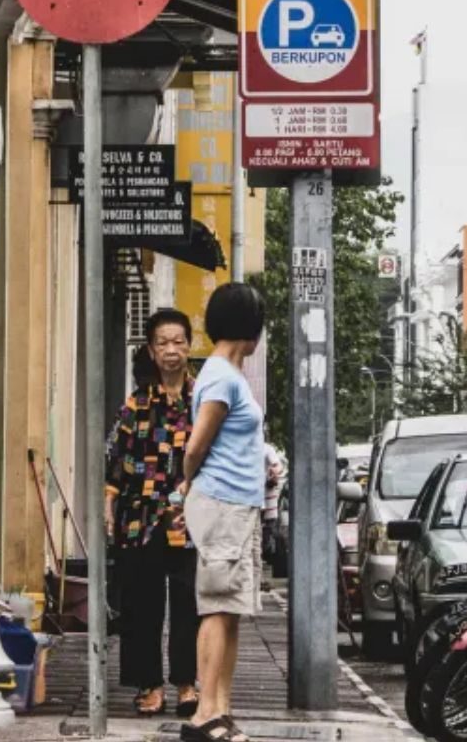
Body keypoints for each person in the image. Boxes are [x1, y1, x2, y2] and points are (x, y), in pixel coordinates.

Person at [103, 310, 201, 718]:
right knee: (141, 605)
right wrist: (109, 507)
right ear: (150, 349)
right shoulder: (136, 403)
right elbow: (116, 461)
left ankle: (187, 684)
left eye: (178, 341)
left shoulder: (203, 400)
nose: (171, 350)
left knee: (188, 603)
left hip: (189, 518)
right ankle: (150, 685)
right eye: (163, 342)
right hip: (139, 518)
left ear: (190, 345)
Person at [181, 284, 267, 742]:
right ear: (249, 328)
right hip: (223, 503)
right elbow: (195, 446)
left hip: (238, 503)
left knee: (230, 608)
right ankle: (204, 714)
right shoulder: (220, 377)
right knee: (216, 606)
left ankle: (221, 709)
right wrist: (187, 484)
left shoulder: (228, 375)